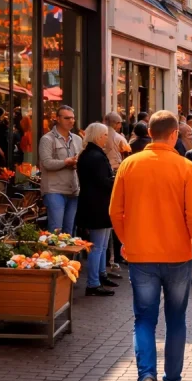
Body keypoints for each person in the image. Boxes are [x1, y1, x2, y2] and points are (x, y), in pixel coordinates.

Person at [109, 110, 192, 381]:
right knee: (176, 320)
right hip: (178, 255)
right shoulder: (185, 167)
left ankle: (147, 378)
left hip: (142, 255)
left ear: (149, 133)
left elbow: (115, 211)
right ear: (174, 135)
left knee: (144, 321)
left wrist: (127, 240)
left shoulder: (129, 164)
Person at [76, 122, 116, 298]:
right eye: (105, 135)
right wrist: (117, 180)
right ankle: (93, 283)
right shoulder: (96, 156)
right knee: (98, 246)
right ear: (99, 136)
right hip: (97, 205)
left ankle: (100, 276)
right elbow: (102, 181)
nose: (107, 137)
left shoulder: (90, 154)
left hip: (96, 204)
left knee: (102, 244)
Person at [38, 104, 83, 234]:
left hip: (73, 190)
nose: (71, 121)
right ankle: (54, 254)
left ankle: (67, 255)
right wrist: (66, 162)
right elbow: (46, 163)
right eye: (67, 118)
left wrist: (76, 163)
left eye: (73, 118)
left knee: (69, 231)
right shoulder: (47, 139)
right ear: (57, 119)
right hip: (54, 190)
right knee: (56, 231)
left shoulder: (77, 139)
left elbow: (80, 160)